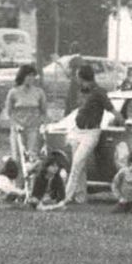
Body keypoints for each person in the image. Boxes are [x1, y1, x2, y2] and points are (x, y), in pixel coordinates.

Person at [50, 67, 118, 207]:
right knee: (80, 166)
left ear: (82, 77)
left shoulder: (99, 92)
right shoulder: (82, 92)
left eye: (78, 77)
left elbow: (111, 109)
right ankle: (80, 197)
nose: (76, 80)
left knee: (77, 163)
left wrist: (123, 121)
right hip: (78, 130)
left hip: (91, 131)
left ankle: (65, 197)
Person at [4, 64, 49, 198]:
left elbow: (44, 112)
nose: (30, 78)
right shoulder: (13, 92)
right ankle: (19, 189)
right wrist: (15, 124)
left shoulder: (39, 92)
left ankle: (32, 190)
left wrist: (43, 125)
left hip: (33, 129)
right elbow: (9, 113)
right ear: (22, 76)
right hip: (18, 129)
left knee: (32, 158)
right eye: (28, 76)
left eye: (33, 76)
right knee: (17, 158)